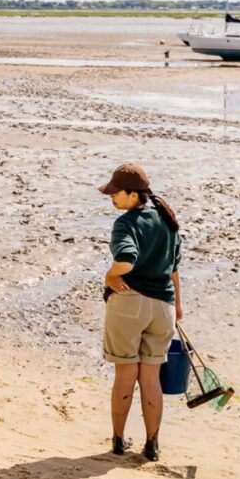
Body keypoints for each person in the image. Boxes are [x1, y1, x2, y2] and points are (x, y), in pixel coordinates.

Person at [98, 162, 183, 462]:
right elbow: (174, 271)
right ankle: (152, 445)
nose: (111, 198)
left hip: (130, 302)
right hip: (164, 308)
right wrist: (178, 307)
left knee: (125, 374)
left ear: (133, 195)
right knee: (151, 378)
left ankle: (119, 441)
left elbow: (126, 260)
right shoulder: (168, 219)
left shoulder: (126, 223)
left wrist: (110, 277)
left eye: (115, 194)